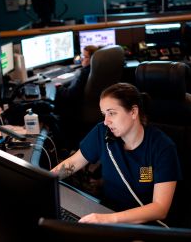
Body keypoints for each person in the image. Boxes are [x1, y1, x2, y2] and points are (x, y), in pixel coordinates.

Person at [51, 83, 182, 225]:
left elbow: (160, 208)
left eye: (112, 113)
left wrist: (108, 219)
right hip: (107, 210)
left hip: (143, 223)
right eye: (104, 114)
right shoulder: (103, 133)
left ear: (133, 112)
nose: (106, 121)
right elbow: (73, 163)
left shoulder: (162, 147)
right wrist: (44, 182)